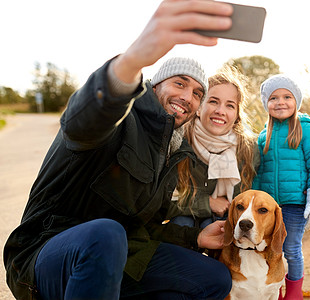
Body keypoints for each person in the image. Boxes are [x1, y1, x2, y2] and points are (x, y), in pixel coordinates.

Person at [3, 1, 236, 299]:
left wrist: (196, 236)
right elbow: (82, 122)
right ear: (154, 86)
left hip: (118, 257)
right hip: (47, 256)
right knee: (106, 233)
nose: (187, 97)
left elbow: (145, 228)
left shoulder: (173, 151)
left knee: (213, 278)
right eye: (180, 83)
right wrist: (132, 61)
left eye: (197, 93)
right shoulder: (120, 118)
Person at [252, 74, 310, 300]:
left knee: (291, 249)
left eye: (287, 96)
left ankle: (294, 292)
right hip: (268, 207)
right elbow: (258, 172)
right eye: (273, 98)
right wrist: (252, 201)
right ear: (266, 104)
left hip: (295, 203)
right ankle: (274, 289)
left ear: (296, 101)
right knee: (269, 249)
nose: (280, 102)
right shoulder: (263, 136)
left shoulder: (306, 130)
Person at [171, 67, 257, 229]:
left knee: (221, 227)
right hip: (184, 217)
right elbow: (164, 201)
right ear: (198, 108)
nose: (220, 111)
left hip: (227, 219)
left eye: (230, 106)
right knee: (182, 224)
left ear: (237, 114)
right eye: (213, 101)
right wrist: (207, 203)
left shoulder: (248, 148)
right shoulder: (178, 141)